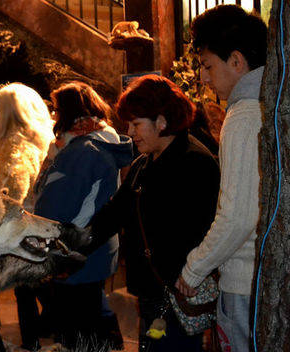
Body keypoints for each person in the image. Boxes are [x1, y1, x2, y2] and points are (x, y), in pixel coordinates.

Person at [87, 75, 220, 352]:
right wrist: (73, 245)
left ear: (162, 121)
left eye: (136, 124)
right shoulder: (143, 163)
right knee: (153, 345)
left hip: (178, 296)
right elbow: (113, 215)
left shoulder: (195, 163)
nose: (130, 132)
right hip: (152, 295)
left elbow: (204, 233)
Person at [174, 6, 267, 352]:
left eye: (208, 65)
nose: (203, 78)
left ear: (237, 61)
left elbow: (237, 216)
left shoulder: (243, 117)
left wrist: (194, 269)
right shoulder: (267, 107)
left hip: (245, 283)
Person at [14, 82, 132, 351]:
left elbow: (52, 209)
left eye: (56, 110)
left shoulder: (80, 152)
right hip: (98, 246)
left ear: (69, 112)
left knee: (75, 332)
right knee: (93, 312)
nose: (54, 116)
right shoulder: (105, 140)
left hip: (74, 249)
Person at [0, 82, 55, 203]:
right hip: (41, 213)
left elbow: (11, 196)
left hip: (21, 217)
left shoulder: (15, 146)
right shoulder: (46, 137)